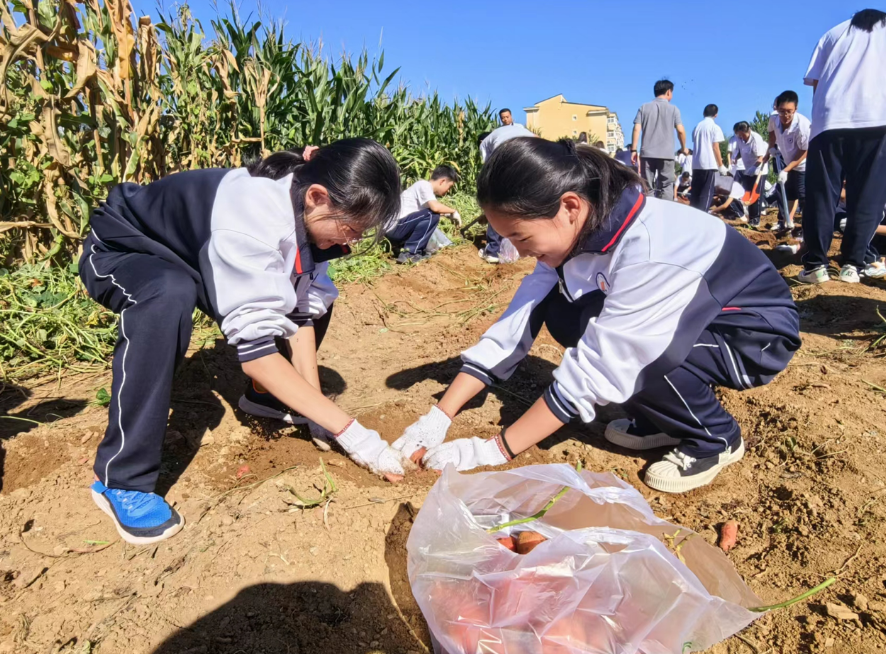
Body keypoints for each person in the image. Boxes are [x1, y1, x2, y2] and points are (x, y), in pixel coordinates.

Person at [393, 138, 800, 494]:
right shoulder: (576, 233)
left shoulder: (649, 245)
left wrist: (496, 448)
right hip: (695, 320)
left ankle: (715, 438)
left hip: (749, 333)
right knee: (568, 314)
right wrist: (440, 415)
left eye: (520, 237)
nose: (515, 251)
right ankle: (663, 418)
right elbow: (518, 319)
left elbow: (610, 358)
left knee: (637, 350)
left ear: (569, 207)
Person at [80, 140, 410, 544]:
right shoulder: (254, 217)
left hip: (196, 251)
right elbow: (255, 356)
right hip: (127, 246)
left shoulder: (307, 214)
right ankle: (121, 478)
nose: (354, 240)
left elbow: (301, 313)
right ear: (318, 197)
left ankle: (270, 400)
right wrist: (356, 436)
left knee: (304, 304)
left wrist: (314, 408)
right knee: (168, 295)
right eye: (352, 228)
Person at [799, 9, 886, 284]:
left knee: (821, 195)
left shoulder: (833, 34)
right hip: (878, 119)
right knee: (867, 197)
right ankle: (852, 266)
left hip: (830, 120)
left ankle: (815, 266)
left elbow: (815, 83)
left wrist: (820, 118)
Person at [478, 117, 536, 263]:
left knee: (497, 205)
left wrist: (486, 205)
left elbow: (488, 169)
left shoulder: (485, 143)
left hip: (506, 166)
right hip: (529, 165)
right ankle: (525, 247)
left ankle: (492, 251)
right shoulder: (524, 131)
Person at [387, 166, 462, 263]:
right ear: (442, 181)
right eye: (449, 187)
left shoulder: (425, 191)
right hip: (396, 227)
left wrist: (448, 215)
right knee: (432, 215)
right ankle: (410, 253)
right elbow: (435, 208)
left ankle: (403, 248)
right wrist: (453, 211)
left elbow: (423, 216)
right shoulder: (424, 185)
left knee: (431, 215)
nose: (448, 191)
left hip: (396, 229)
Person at [631, 79, 689, 201]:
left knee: (647, 186)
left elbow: (637, 128)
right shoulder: (674, 109)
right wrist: (684, 148)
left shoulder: (644, 107)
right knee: (666, 186)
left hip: (647, 153)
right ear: (668, 92)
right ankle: (665, 214)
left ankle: (650, 212)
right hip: (667, 155)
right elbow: (680, 130)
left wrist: (633, 150)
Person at [766, 90, 811, 231]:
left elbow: (804, 151)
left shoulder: (803, 125)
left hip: (803, 165)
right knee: (789, 193)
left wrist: (786, 169)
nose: (785, 116)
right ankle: (787, 222)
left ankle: (807, 230)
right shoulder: (774, 119)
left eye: (789, 112)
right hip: (787, 162)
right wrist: (772, 147)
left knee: (804, 198)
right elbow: (771, 132)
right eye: (782, 111)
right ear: (776, 108)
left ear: (795, 109)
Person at [689, 105, 729, 211]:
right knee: (706, 194)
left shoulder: (697, 127)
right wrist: (721, 166)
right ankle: (702, 218)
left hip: (696, 164)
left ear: (704, 113)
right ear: (716, 115)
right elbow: (715, 147)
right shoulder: (715, 127)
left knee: (695, 194)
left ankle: (693, 216)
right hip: (709, 164)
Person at [733, 122, 769, 226]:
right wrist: (735, 157)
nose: (741, 137)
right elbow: (741, 150)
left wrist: (754, 167)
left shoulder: (756, 139)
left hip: (759, 170)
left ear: (748, 131)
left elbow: (761, 157)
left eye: (743, 135)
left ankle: (755, 220)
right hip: (747, 170)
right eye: (739, 135)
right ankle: (750, 218)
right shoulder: (739, 139)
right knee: (748, 194)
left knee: (756, 195)